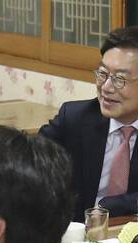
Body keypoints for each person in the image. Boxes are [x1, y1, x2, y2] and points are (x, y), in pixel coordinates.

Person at [40, 26, 138, 220]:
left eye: (120, 79)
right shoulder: (74, 119)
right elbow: (30, 161)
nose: (106, 87)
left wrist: (109, 206)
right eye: (102, 74)